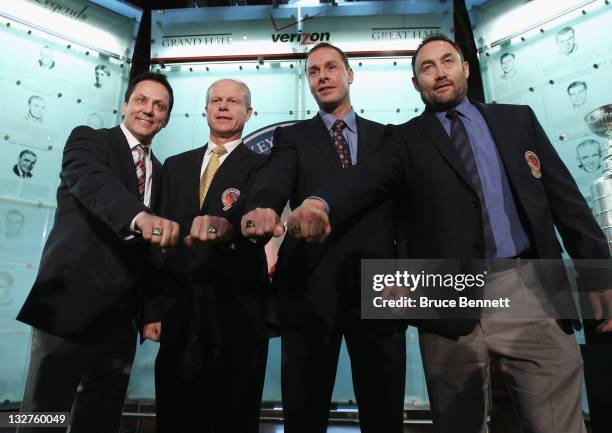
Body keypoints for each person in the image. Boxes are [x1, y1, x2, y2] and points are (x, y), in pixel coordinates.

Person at [286, 35, 612, 433]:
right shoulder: (402, 139)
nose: (439, 73)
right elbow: (364, 178)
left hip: (527, 286)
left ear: (466, 68)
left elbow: (567, 202)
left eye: (447, 62)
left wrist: (599, 276)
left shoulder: (518, 119)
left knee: (557, 424)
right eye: (427, 67)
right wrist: (320, 202)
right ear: (415, 83)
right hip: (442, 289)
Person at [241, 42, 406, 433]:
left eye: (331, 68)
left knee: (384, 414)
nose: (323, 76)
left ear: (350, 75)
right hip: (309, 288)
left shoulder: (389, 139)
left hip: (381, 288)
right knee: (303, 412)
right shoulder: (291, 138)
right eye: (313, 72)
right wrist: (263, 205)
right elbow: (275, 178)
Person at [16, 72, 180, 433]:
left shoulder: (163, 174)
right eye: (141, 100)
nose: (149, 110)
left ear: (166, 119)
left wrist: (152, 311)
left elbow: (154, 256)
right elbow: (93, 184)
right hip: (67, 303)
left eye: (159, 106)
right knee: (42, 413)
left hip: (121, 318)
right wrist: (140, 217)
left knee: (100, 418)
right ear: (125, 105)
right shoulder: (88, 141)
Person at [148, 79, 272, 433]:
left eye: (232, 101)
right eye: (215, 100)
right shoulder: (174, 166)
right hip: (179, 313)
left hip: (237, 313)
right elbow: (156, 244)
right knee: (174, 415)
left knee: (234, 417)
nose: (222, 106)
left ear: (248, 113)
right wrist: (152, 309)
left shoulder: (264, 167)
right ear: (204, 110)